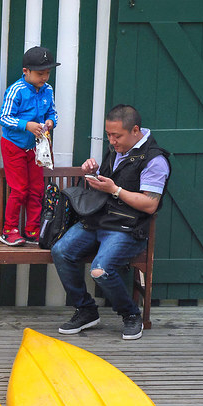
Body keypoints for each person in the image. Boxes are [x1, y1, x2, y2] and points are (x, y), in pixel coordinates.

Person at [52, 104, 171, 340]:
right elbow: (107, 186)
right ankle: (86, 310)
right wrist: (94, 172)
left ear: (135, 130)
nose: (112, 140)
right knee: (61, 251)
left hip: (127, 229)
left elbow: (150, 204)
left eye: (117, 135)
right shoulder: (117, 149)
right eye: (108, 134)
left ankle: (130, 315)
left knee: (101, 269)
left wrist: (115, 189)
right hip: (99, 220)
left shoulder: (155, 160)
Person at [0, 46, 60, 246]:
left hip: (36, 147)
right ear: (26, 71)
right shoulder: (16, 90)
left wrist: (50, 122)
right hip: (14, 146)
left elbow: (52, 112)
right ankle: (9, 231)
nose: (45, 77)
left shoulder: (48, 90)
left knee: (36, 188)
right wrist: (26, 125)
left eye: (48, 73)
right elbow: (4, 118)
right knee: (19, 189)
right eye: (40, 73)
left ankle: (32, 230)